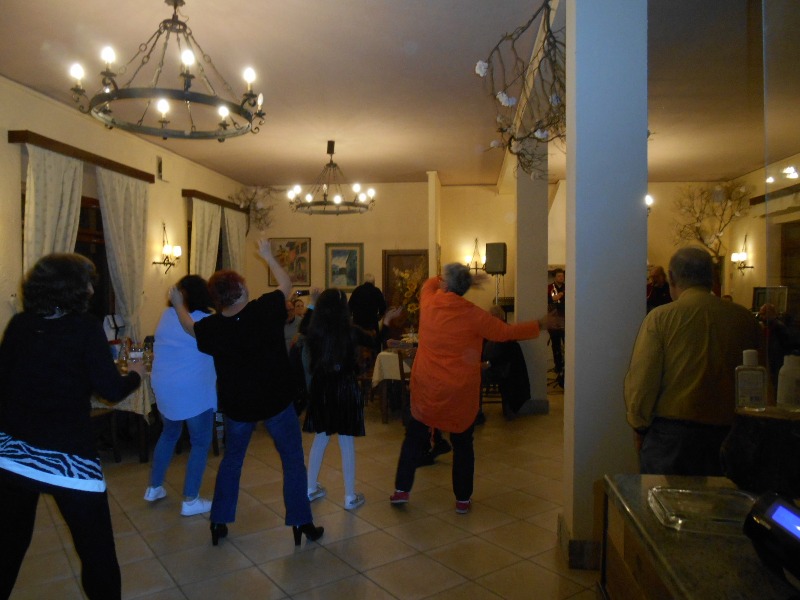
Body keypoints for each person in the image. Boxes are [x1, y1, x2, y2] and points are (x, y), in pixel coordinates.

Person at [0, 253, 144, 600]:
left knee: (8, 547)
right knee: (97, 553)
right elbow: (111, 390)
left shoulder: (20, 324)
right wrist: (136, 376)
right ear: (71, 288)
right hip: (68, 460)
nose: (92, 289)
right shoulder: (84, 328)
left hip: (13, 454)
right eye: (87, 283)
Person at [170, 239, 323, 547]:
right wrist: (267, 255)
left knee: (232, 461)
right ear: (239, 291)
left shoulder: (213, 328)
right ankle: (301, 522)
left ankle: (218, 522)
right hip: (277, 402)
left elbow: (188, 326)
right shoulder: (264, 309)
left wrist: (177, 303)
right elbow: (286, 283)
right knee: (293, 461)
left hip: (238, 408)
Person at [390, 263, 554, 514]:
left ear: (446, 283)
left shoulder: (430, 302)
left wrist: (463, 279)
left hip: (427, 388)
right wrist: (539, 324)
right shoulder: (474, 315)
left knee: (414, 437)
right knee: (463, 444)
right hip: (460, 391)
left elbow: (430, 283)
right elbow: (506, 333)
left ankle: (402, 489)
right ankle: (462, 499)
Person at [624, 246, 761, 476]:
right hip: (731, 435)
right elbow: (761, 383)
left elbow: (643, 381)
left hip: (673, 439)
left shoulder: (661, 319)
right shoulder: (745, 320)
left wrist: (639, 425)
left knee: (664, 499)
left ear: (671, 278)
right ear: (712, 277)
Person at [144, 275, 216, 517]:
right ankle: (191, 499)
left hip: (164, 386)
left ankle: (154, 487)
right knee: (200, 442)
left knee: (169, 434)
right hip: (192, 389)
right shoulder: (205, 320)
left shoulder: (167, 315)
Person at [302, 288, 380, 511]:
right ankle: (349, 496)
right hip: (345, 387)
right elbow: (373, 340)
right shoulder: (350, 331)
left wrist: (312, 304)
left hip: (321, 388)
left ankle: (310, 488)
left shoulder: (315, 330)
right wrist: (385, 322)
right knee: (346, 442)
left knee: (321, 438)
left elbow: (304, 327)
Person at [482, 305, 531, 421]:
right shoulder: (491, 329)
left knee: (508, 372)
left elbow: (503, 352)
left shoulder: (503, 330)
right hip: (496, 365)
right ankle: (509, 407)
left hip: (500, 366)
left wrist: (490, 362)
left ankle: (509, 406)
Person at [547, 268, 565, 385]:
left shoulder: (567, 287)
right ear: (555, 277)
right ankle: (558, 368)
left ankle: (566, 368)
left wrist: (562, 295)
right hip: (554, 321)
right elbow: (546, 299)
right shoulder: (549, 288)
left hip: (565, 320)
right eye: (559, 276)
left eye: (562, 276)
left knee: (567, 345)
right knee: (556, 345)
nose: (561, 278)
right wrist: (553, 298)